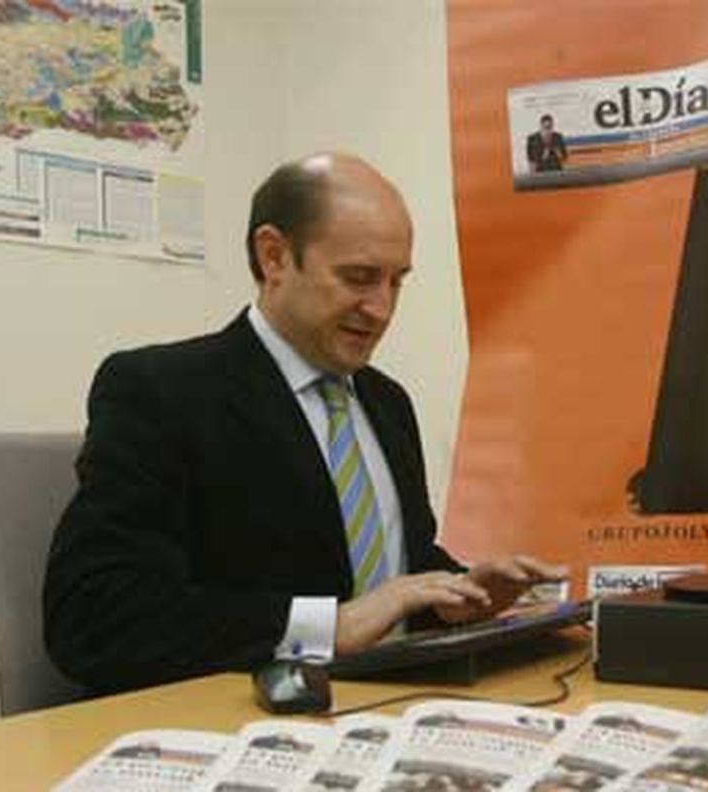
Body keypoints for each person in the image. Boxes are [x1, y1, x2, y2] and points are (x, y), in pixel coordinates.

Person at [44, 153, 566, 694]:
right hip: (244, 720)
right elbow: (94, 616)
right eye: (359, 278)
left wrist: (458, 593)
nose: (382, 309)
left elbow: (386, 575)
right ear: (273, 256)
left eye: (397, 282)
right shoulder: (161, 391)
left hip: (394, 708)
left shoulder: (387, 403)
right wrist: (329, 627)